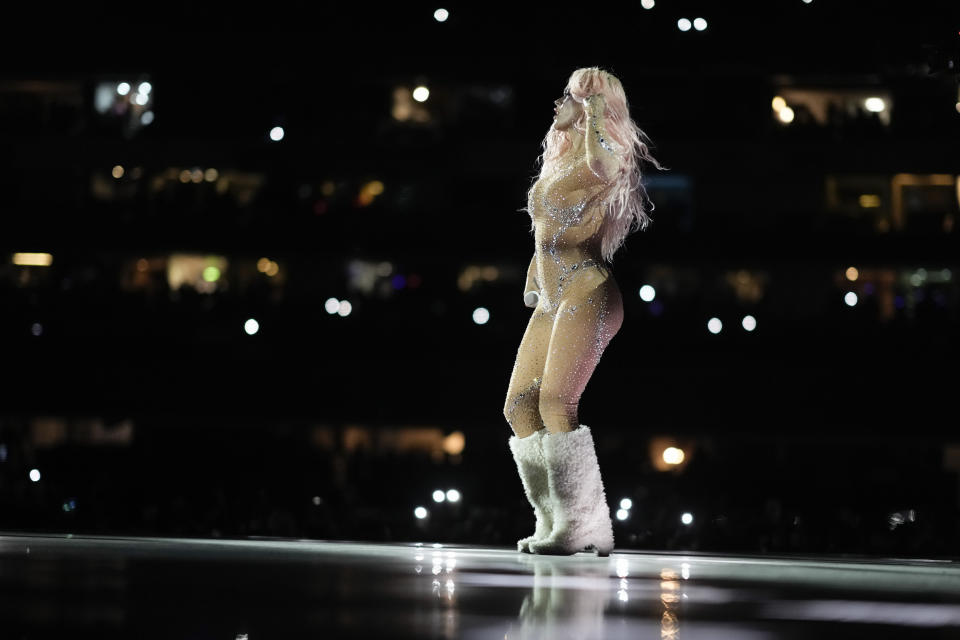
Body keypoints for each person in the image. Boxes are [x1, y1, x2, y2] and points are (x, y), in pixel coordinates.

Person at [504, 67, 667, 556]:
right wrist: (535, 277)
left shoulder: (603, 157)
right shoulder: (561, 159)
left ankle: (583, 525)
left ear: (593, 107)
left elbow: (602, 162)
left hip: (588, 291)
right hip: (555, 297)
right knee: (518, 406)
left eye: (569, 98)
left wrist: (592, 105)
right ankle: (553, 517)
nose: (559, 105)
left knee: (556, 402)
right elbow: (547, 230)